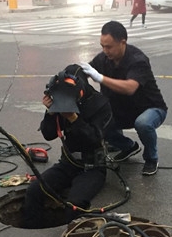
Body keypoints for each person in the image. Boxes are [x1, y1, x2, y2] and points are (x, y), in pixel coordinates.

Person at [22, 64, 112, 228]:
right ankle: (32, 228)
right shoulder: (60, 99)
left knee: (74, 204)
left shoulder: (100, 104)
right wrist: (50, 112)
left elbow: (94, 139)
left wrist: (73, 119)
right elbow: (49, 134)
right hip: (67, 163)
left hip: (92, 167)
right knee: (34, 191)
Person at [80, 20, 167, 176]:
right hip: (122, 110)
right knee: (96, 122)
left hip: (150, 108)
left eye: (109, 47)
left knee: (143, 123)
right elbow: (85, 71)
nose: (105, 51)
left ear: (122, 42)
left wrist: (99, 78)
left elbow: (130, 88)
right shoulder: (104, 58)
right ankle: (128, 146)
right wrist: (71, 76)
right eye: (102, 46)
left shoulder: (138, 60)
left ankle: (151, 159)